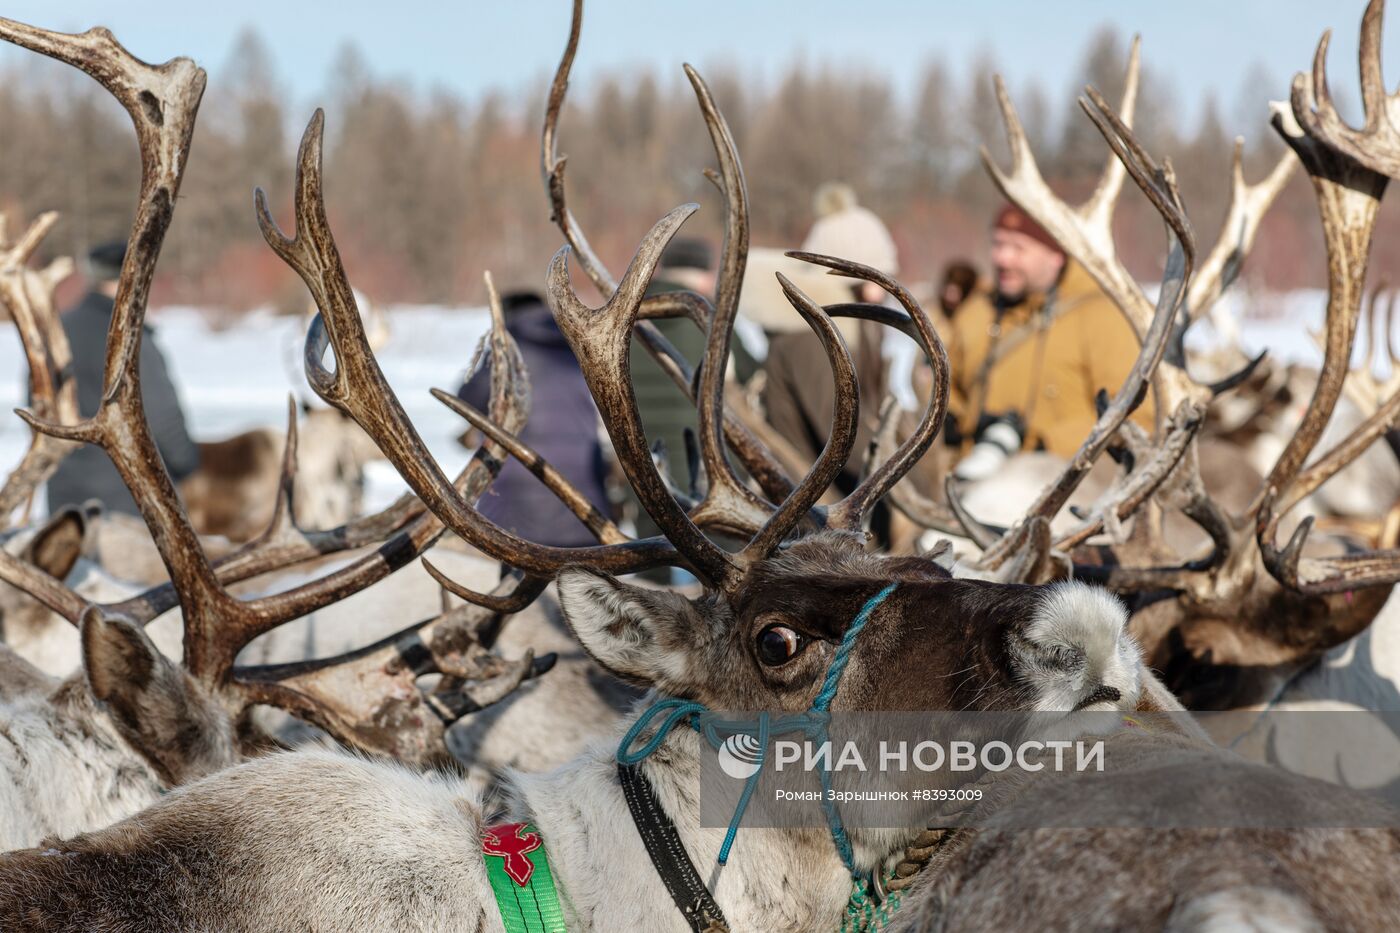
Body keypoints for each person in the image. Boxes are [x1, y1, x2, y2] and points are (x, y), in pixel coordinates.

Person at [947, 204, 1151, 480]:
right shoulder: (975, 312)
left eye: (1019, 248)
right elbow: (952, 396)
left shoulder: (1105, 317)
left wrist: (1044, 443)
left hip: (1063, 494)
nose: (1002, 258)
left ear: (1056, 254)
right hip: (969, 485)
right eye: (998, 244)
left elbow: (1137, 416)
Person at [757, 182, 894, 496]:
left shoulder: (850, 326)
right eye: (872, 278)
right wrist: (904, 485)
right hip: (812, 509)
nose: (882, 291)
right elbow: (841, 434)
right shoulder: (811, 336)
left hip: (838, 494)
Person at [46, 240, 200, 517]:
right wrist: (187, 464)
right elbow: (161, 415)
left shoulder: (57, 330)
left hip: (64, 502)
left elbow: (40, 410)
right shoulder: (128, 334)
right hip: (129, 499)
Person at [457, 289, 609, 548]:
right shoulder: (575, 346)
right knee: (579, 581)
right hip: (585, 504)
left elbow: (468, 399)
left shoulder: (506, 347)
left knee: (514, 577)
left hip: (514, 506)